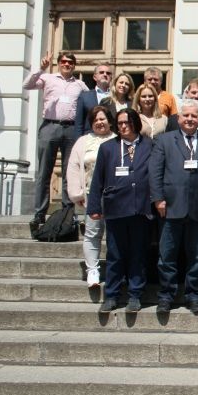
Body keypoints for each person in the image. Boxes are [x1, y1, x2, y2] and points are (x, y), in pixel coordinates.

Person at [150, 98, 198, 315]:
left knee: (197, 256)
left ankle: (193, 294)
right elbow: (155, 172)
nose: (190, 119)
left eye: (194, 116)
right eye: (186, 115)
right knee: (167, 255)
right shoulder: (163, 141)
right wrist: (158, 199)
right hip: (170, 206)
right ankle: (166, 295)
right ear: (178, 118)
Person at [87, 108, 153, 313]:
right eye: (120, 123)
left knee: (138, 254)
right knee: (115, 254)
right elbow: (98, 178)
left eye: (127, 122)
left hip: (141, 209)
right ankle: (112, 295)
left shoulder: (150, 145)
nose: (123, 126)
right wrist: (94, 207)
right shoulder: (108, 148)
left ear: (135, 123)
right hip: (116, 208)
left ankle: (135, 295)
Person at [23, 51, 89, 227]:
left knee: (70, 172)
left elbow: (90, 103)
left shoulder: (80, 85)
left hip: (71, 129)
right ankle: (40, 213)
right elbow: (27, 85)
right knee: (45, 171)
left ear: (74, 65)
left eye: (70, 62)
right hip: (50, 126)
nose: (67, 64)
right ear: (59, 63)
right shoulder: (48, 78)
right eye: (64, 62)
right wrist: (40, 68)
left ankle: (68, 212)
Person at [66, 106, 116, 288]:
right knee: (92, 232)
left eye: (103, 119)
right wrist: (76, 193)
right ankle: (92, 270)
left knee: (114, 234)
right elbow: (73, 168)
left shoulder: (117, 140)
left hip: (115, 197)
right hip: (91, 194)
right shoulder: (83, 142)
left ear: (110, 121)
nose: (99, 122)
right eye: (96, 120)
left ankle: (114, 270)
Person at [74, 62, 112, 137]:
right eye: (101, 72)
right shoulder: (84, 96)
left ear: (111, 77)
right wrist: (78, 142)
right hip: (89, 138)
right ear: (95, 77)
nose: (105, 74)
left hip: (110, 138)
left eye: (108, 73)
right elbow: (79, 124)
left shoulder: (115, 97)